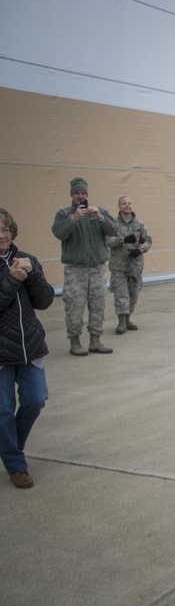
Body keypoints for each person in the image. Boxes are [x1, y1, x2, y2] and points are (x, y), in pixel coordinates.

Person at [0, 208, 54, 489]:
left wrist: (31, 275)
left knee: (36, 399)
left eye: (6, 229)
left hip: (29, 347)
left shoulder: (27, 260)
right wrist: (12, 279)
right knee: (2, 410)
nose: (2, 235)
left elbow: (44, 301)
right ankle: (16, 465)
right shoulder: (12, 270)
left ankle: (10, 448)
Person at [51, 177, 117, 355]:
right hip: (75, 269)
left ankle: (95, 340)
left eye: (83, 193)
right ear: (72, 195)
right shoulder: (63, 214)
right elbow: (59, 233)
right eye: (77, 193)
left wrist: (100, 218)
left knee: (98, 305)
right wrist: (74, 219)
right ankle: (75, 341)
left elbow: (114, 229)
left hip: (97, 268)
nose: (81, 196)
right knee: (74, 306)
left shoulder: (99, 212)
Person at [107, 196, 152, 334]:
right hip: (119, 265)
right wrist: (123, 240)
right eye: (124, 203)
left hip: (135, 265)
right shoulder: (112, 224)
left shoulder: (139, 224)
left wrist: (140, 249)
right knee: (121, 294)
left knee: (133, 293)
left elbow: (148, 241)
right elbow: (108, 242)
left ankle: (128, 319)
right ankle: (121, 322)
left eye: (129, 203)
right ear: (119, 206)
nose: (127, 205)